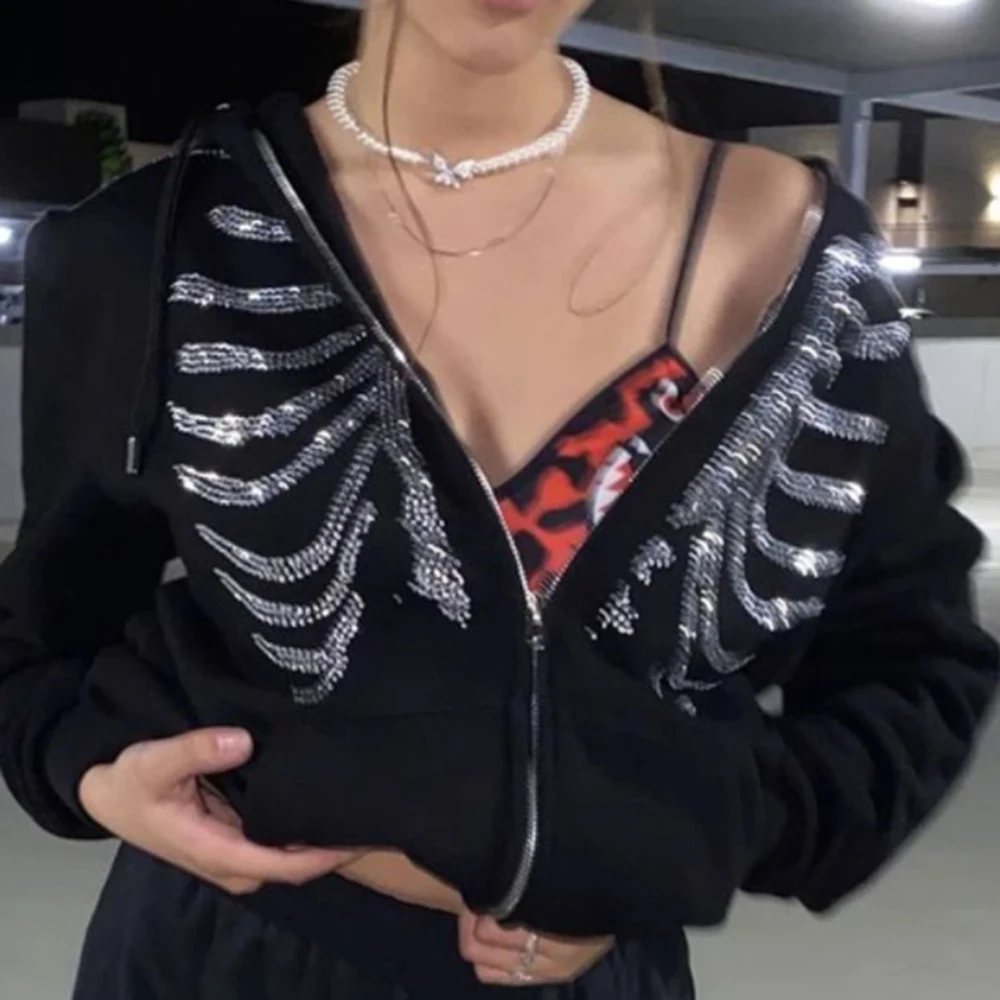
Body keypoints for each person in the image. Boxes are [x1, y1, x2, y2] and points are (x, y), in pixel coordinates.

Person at [1, 0, 997, 997]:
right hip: (221, 955)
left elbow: (912, 646)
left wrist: (688, 832)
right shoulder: (155, 243)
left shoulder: (795, 253)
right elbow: (41, 628)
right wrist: (87, 765)